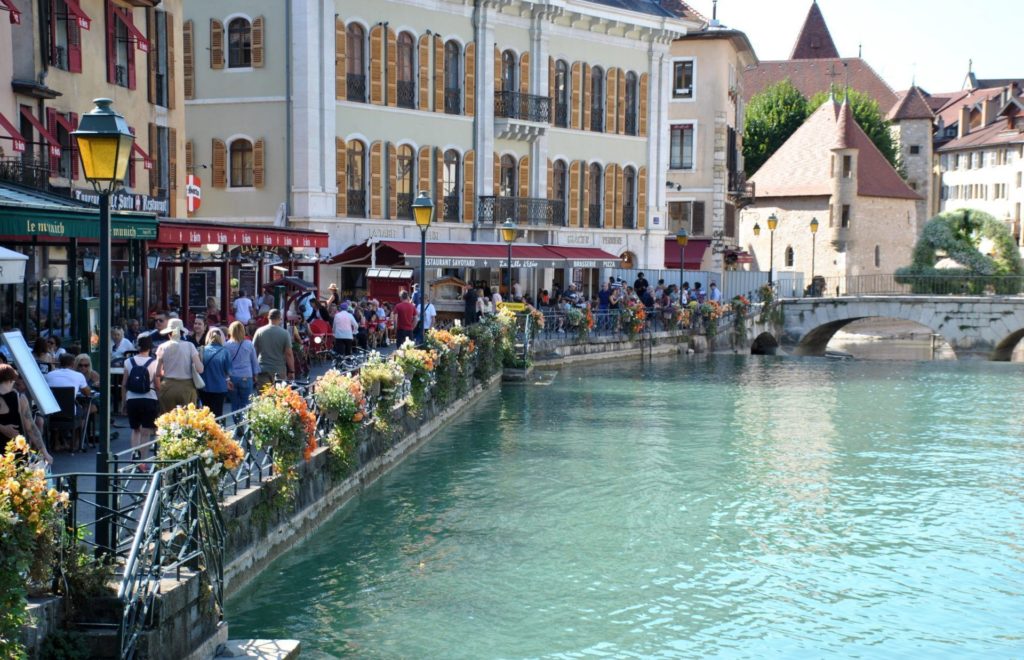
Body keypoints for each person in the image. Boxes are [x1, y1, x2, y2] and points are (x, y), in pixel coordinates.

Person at [0, 365, 52, 464]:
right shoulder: (20, 398)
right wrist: (45, 453)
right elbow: (31, 428)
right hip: (15, 452)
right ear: (12, 380)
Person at [120, 334, 160, 462]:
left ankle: (134, 455)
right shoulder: (154, 363)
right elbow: (157, 385)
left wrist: (123, 402)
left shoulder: (128, 362)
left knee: (135, 429)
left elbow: (124, 384)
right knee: (146, 431)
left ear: (137, 346)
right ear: (150, 347)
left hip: (132, 398)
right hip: (149, 398)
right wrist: (159, 400)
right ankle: (143, 460)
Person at [155, 318, 204, 414]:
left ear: (169, 333)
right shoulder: (190, 346)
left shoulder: (162, 347)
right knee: (187, 421)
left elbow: (157, 373)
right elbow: (200, 369)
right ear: (182, 333)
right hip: (187, 387)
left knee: (167, 421)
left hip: (168, 387)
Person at [252, 309, 295, 390]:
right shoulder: (285, 333)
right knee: (279, 396)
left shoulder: (259, 331)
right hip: (279, 369)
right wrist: (292, 371)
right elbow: (288, 354)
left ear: (268, 317)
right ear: (280, 318)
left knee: (264, 396)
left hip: (262, 368)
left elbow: (254, 350)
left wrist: (254, 369)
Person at [225, 321, 259, 417]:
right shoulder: (249, 344)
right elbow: (254, 361)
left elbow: (225, 363)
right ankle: (245, 426)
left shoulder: (226, 345)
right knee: (246, 403)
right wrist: (256, 375)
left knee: (234, 404)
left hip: (232, 377)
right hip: (246, 376)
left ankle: (237, 426)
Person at [200, 328, 232, 417]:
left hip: (204, 387)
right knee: (218, 414)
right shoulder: (225, 351)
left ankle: (206, 430)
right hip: (220, 387)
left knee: (205, 414)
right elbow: (229, 370)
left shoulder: (202, 350)